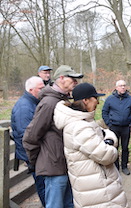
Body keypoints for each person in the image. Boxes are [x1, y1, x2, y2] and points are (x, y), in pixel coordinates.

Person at [54, 82, 128, 208]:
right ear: (86, 100)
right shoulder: (79, 127)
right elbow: (107, 156)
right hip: (98, 194)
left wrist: (107, 140)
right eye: (96, 99)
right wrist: (110, 141)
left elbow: (105, 134)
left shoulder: (83, 122)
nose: (98, 103)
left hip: (97, 189)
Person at [23, 65, 83, 208]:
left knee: (69, 204)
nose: (76, 82)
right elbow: (31, 136)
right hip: (54, 167)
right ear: (61, 78)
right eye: (73, 79)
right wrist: (36, 160)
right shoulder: (50, 103)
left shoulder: (62, 100)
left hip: (64, 165)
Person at [11, 76, 46, 207]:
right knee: (42, 185)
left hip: (37, 154)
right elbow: (25, 135)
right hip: (33, 155)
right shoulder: (24, 107)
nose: (44, 90)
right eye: (41, 88)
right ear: (31, 89)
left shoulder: (33, 102)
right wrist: (33, 158)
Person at [102, 80, 131, 175]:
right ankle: (116, 167)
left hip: (126, 127)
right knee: (114, 148)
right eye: (120, 86)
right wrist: (109, 123)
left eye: (124, 85)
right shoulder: (110, 99)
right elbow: (104, 112)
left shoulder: (130, 99)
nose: (122, 87)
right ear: (116, 87)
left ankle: (124, 166)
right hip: (114, 127)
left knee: (125, 147)